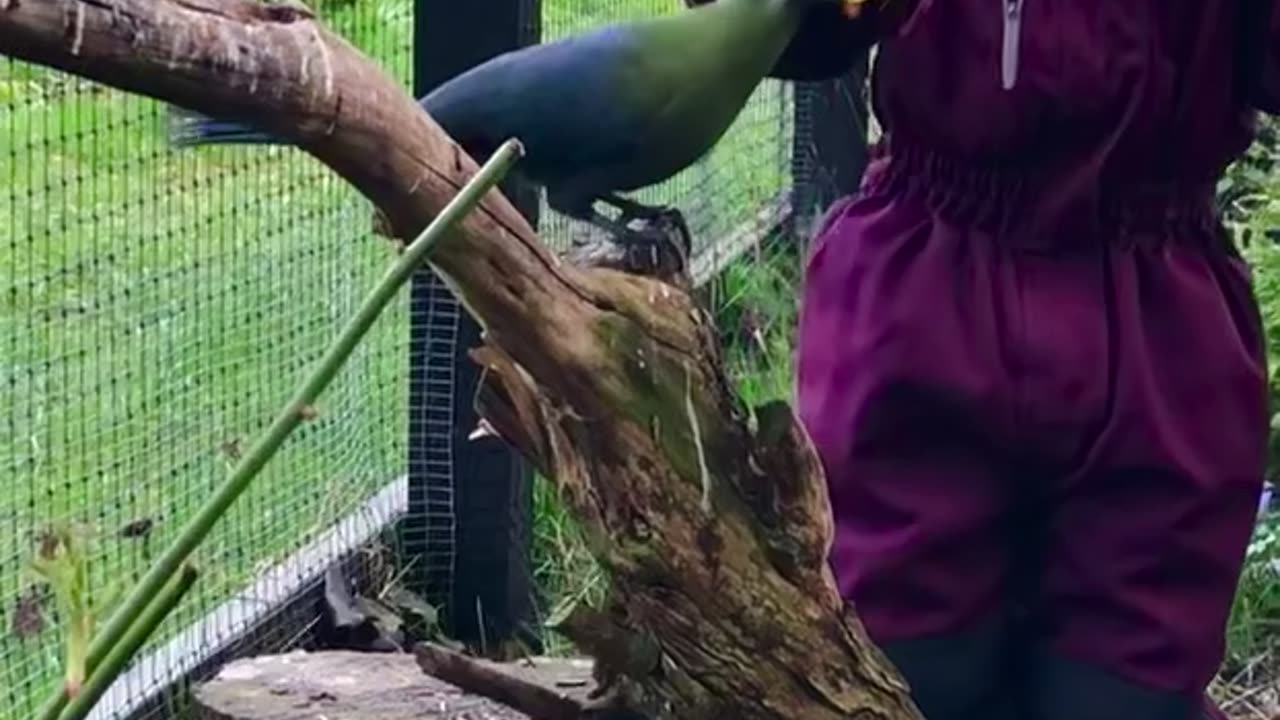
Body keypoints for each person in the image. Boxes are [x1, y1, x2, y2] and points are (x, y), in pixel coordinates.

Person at [688, 1, 1274, 718]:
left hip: (1161, 326)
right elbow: (785, 31)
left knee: (1127, 692)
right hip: (928, 304)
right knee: (901, 673)